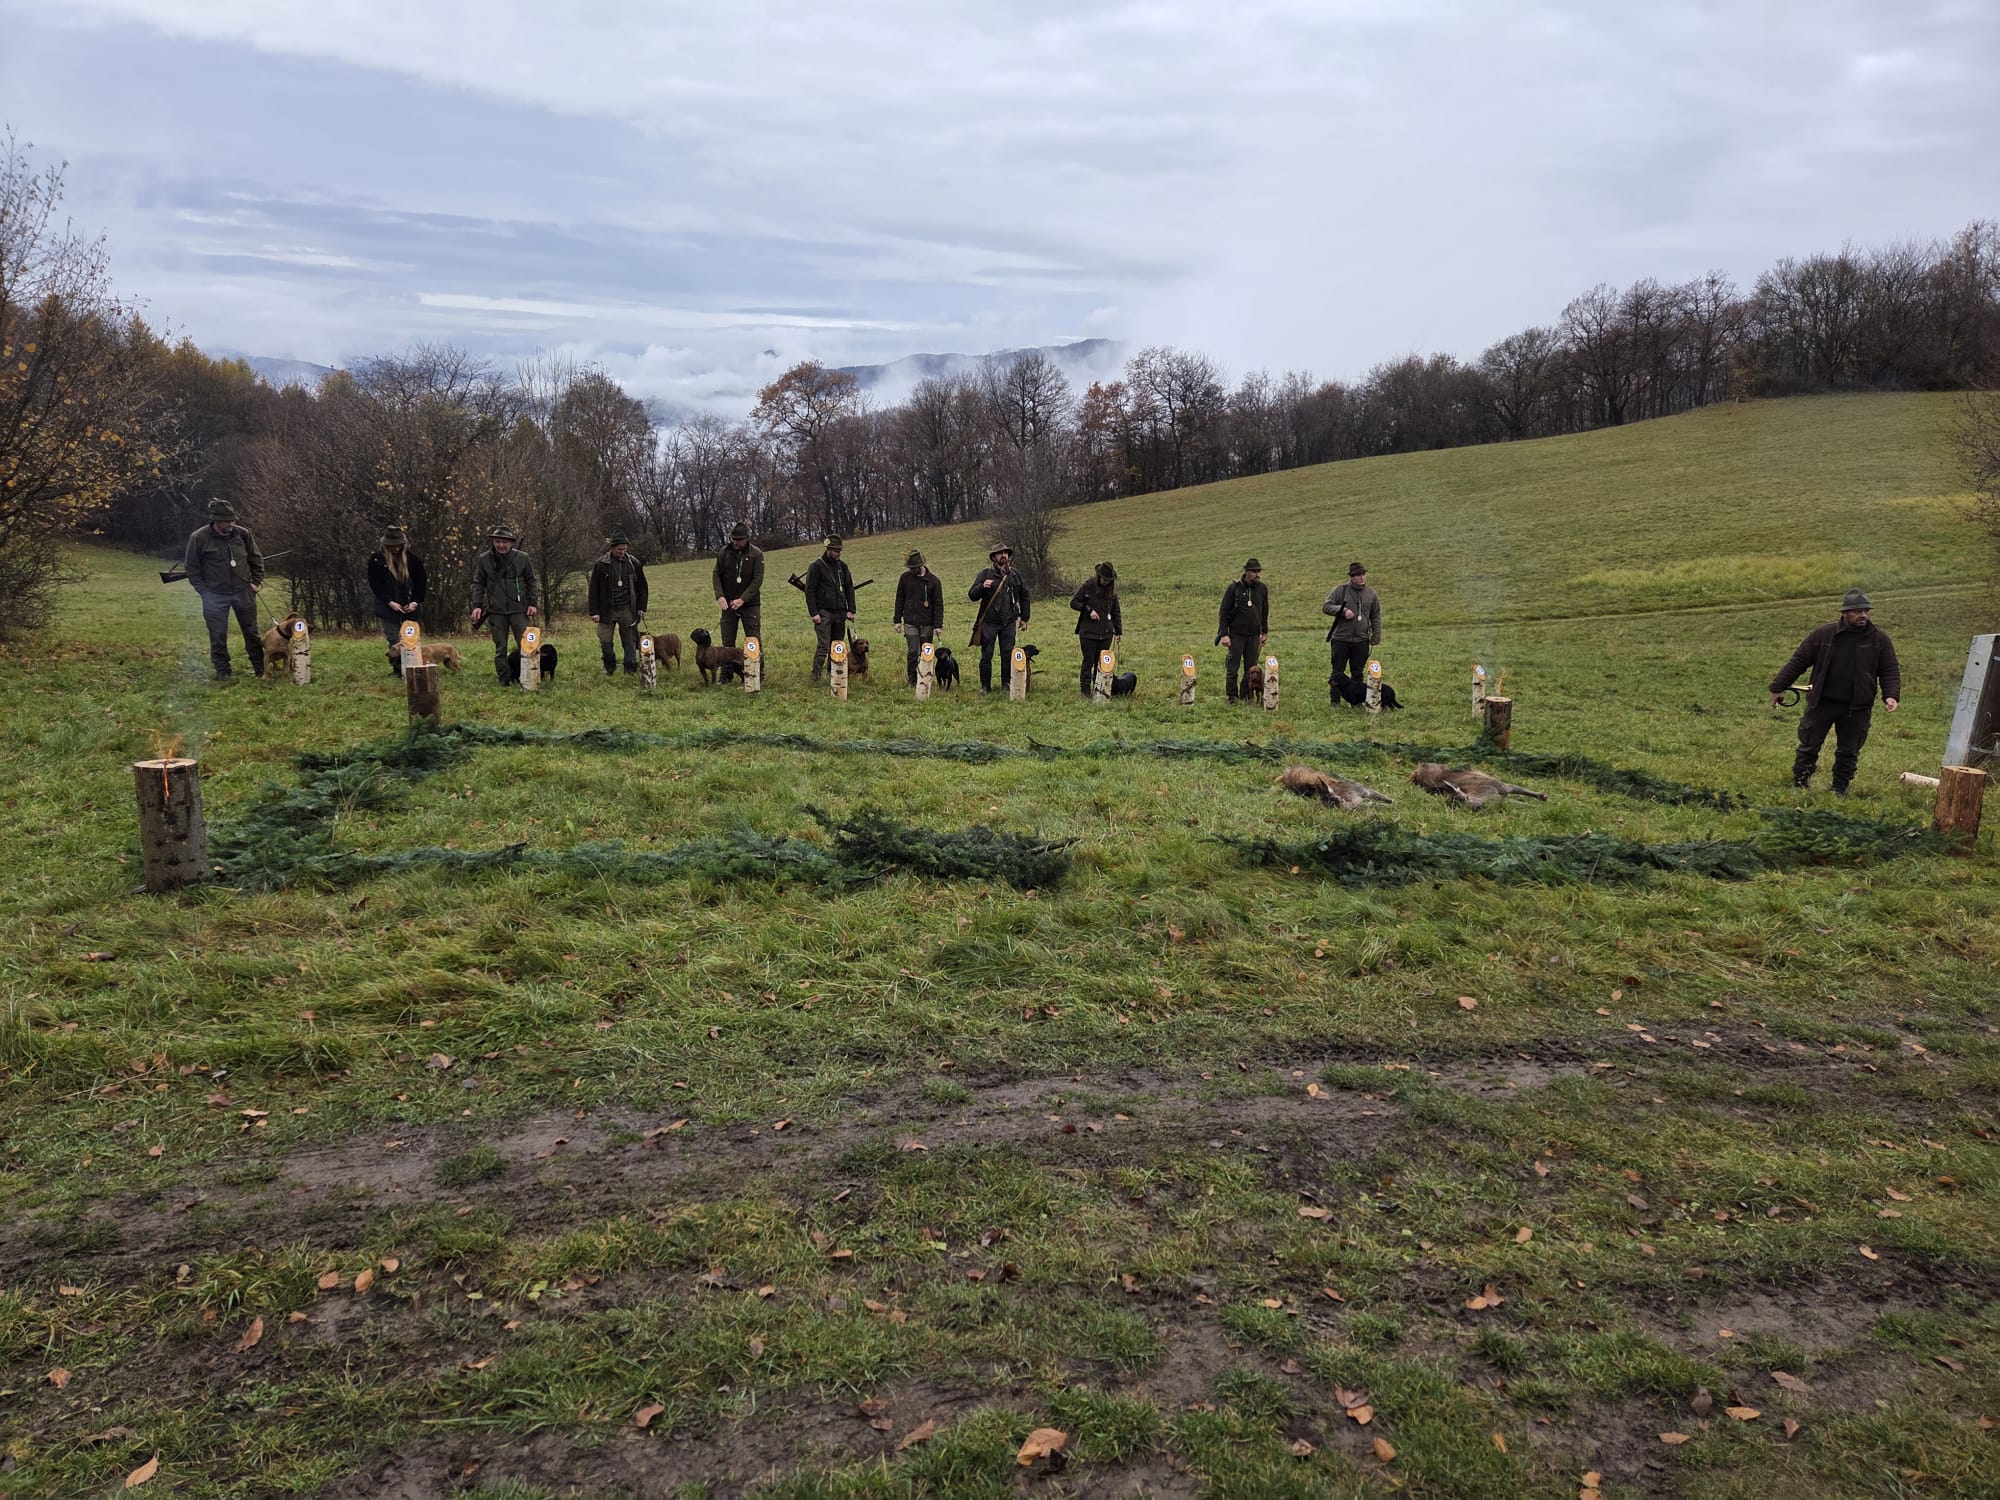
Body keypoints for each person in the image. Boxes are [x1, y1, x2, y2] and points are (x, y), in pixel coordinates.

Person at [1769, 589, 1901, 794]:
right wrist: (1778, 687)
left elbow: (1889, 669)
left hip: (1857, 707)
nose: (1863, 615)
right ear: (1844, 613)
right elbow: (1798, 661)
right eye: (1857, 611)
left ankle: (1839, 790)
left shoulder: (1879, 639)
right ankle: (1800, 784)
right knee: (1809, 746)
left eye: (1866, 611)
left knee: (1849, 752)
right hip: (1822, 702)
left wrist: (1891, 695)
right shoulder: (1823, 634)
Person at [182, 498, 266, 680]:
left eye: (233, 520)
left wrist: (256, 582)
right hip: (215, 595)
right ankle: (223, 670)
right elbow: (192, 568)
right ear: (215, 520)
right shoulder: (199, 538)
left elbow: (256, 559)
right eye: (227, 521)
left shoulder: (243, 534)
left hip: (244, 592)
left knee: (252, 632)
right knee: (218, 634)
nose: (231, 524)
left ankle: (260, 667)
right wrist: (204, 592)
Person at [470, 524, 538, 684]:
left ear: (511, 543)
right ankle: (504, 678)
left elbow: (531, 581)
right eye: (498, 541)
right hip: (496, 611)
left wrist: (532, 603)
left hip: (519, 610)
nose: (501, 545)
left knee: (526, 645)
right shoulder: (484, 559)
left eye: (504, 542)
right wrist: (477, 605)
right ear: (493, 542)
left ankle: (529, 677)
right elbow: (478, 583)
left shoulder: (523, 558)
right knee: (500, 648)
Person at [967, 544, 1032, 692]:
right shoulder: (985, 574)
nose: (1003, 555)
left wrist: (1025, 618)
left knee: (1007, 655)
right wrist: (982, 586)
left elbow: (1024, 595)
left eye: (1005, 553)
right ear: (993, 557)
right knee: (986, 655)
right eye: (999, 553)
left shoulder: (1015, 575)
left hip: (1009, 622)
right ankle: (985, 687)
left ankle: (1006, 685)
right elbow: (972, 595)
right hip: (989, 622)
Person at [367, 525, 427, 677]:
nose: (396, 548)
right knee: (393, 639)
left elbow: (421, 582)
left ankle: (414, 667)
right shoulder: (376, 560)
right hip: (388, 608)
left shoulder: (413, 560)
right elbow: (375, 585)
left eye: (398, 545)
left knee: (410, 639)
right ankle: (398, 669)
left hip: (410, 608)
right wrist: (389, 602)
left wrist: (416, 601)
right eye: (392, 546)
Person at [588, 534, 650, 675]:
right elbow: (594, 590)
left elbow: (643, 587)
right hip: (606, 609)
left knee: (630, 640)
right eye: (619, 549)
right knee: (605, 640)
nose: (622, 552)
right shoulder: (601, 564)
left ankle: (630, 668)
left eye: (624, 549)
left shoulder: (634, 563)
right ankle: (609, 666)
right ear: (612, 548)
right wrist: (594, 612)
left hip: (628, 608)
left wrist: (641, 607)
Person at [1322, 561, 1381, 704]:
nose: (1361, 577)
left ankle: (1357, 702)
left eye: (1363, 574)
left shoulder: (1371, 594)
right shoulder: (1340, 591)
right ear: (1351, 577)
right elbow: (1326, 606)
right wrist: (1343, 610)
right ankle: (1335, 701)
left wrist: (1376, 634)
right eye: (1358, 575)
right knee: (1337, 672)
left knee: (1358, 672)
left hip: (1361, 640)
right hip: (1341, 639)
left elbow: (1375, 615)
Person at [1216, 558, 1270, 704]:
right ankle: (1232, 697)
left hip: (1254, 636)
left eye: (1258, 571)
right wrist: (1224, 635)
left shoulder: (1262, 589)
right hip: (1236, 635)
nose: (1257, 574)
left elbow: (1265, 611)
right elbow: (1223, 612)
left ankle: (1246, 695)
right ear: (1246, 572)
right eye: (1254, 571)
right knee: (1232, 667)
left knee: (1250, 669)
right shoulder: (1234, 588)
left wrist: (1265, 632)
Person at [804, 535, 857, 679]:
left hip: (840, 612)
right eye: (835, 551)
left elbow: (849, 588)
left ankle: (833, 673)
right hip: (823, 612)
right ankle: (816, 675)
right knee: (823, 646)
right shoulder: (816, 566)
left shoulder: (843, 567)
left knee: (837, 645)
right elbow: (810, 591)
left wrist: (851, 610)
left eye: (839, 551)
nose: (838, 553)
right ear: (828, 549)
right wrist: (814, 613)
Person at [1070, 561, 1123, 696]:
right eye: (1104, 579)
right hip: (1088, 632)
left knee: (1100, 662)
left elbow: (1115, 611)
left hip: (1106, 633)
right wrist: (1089, 610)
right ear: (1099, 576)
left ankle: (1099, 689)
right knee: (1088, 661)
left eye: (1108, 580)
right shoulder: (1087, 586)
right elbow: (1074, 602)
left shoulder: (1112, 592)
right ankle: (1085, 691)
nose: (1106, 582)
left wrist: (1118, 631)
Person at [893, 550, 945, 686]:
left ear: (920, 566)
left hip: (927, 623)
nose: (911, 570)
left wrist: (938, 625)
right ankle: (912, 680)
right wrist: (897, 620)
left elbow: (938, 604)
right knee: (913, 651)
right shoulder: (905, 578)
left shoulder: (934, 581)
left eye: (913, 568)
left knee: (926, 652)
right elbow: (899, 599)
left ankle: (925, 678)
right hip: (910, 622)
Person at [712, 522, 764, 657]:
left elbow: (757, 579)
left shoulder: (756, 554)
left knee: (753, 640)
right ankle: (728, 669)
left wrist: (743, 599)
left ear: (746, 538)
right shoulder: (723, 553)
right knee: (727, 641)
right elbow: (716, 574)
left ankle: (755, 668)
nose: (736, 542)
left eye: (739, 540)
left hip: (750, 604)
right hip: (729, 604)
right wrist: (720, 596)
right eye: (733, 539)